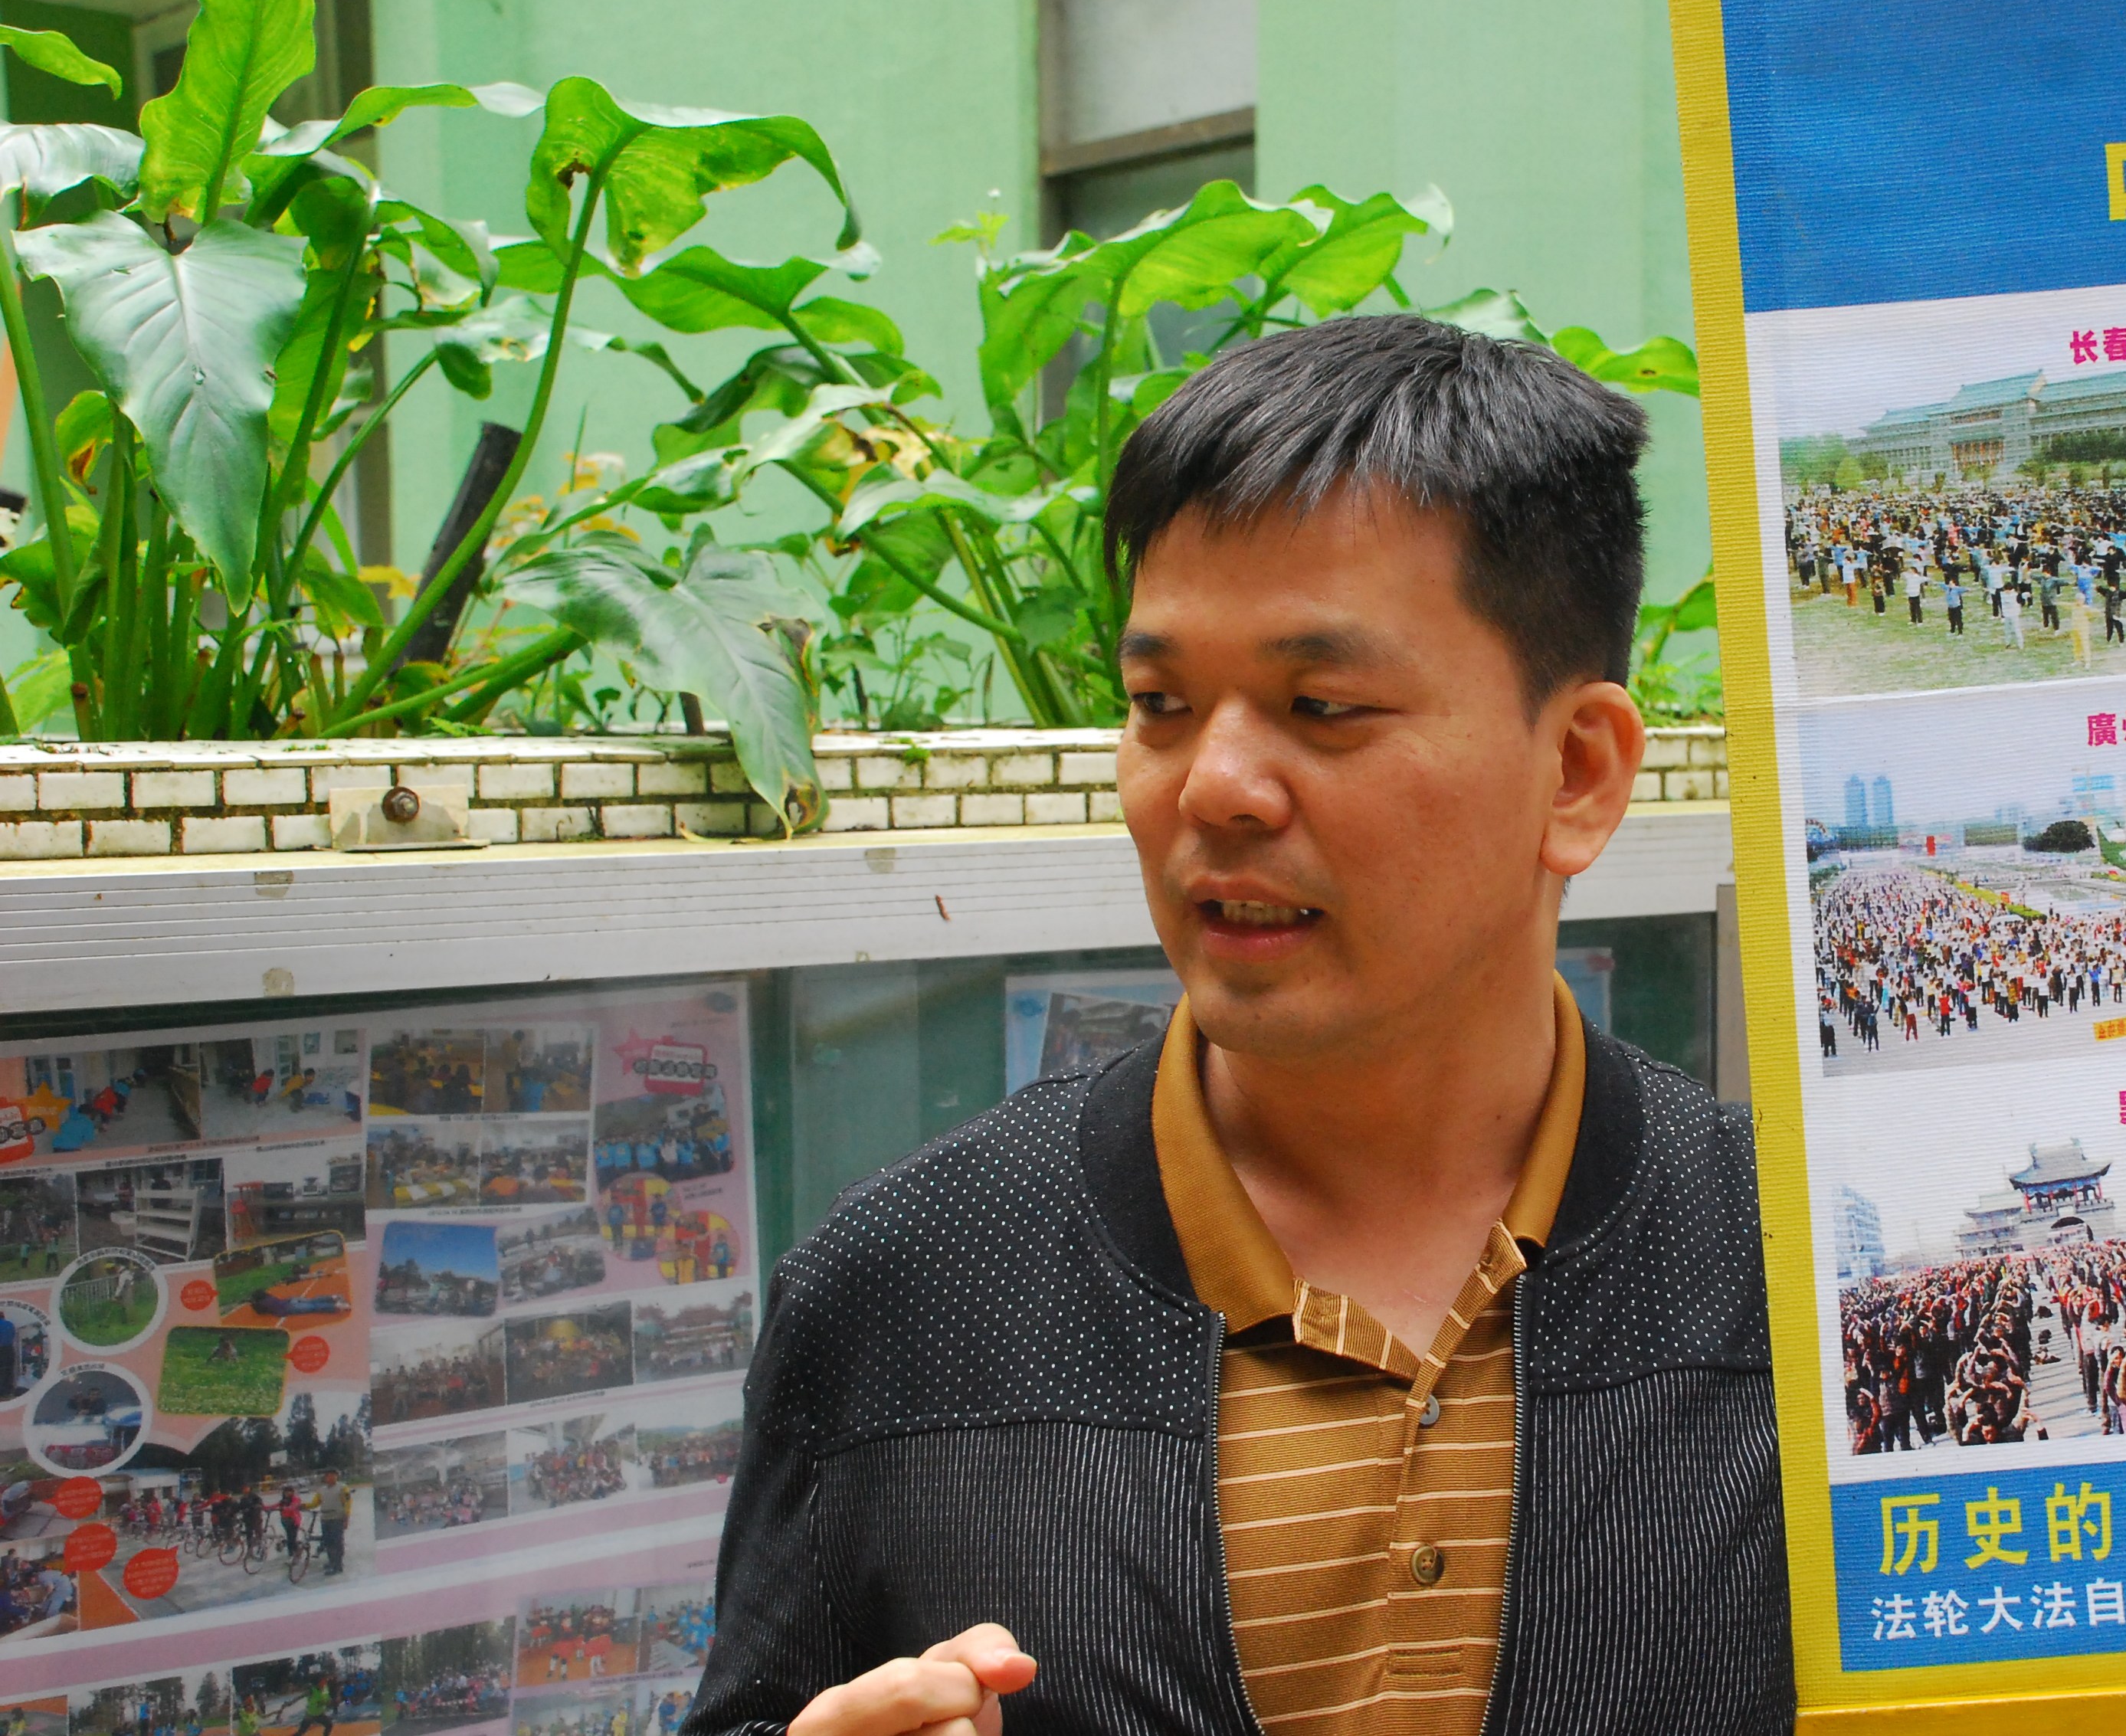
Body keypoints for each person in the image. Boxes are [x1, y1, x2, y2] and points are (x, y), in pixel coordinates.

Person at [686, 315, 1786, 1736]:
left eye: (1320, 706)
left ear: (1577, 772)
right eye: (1160, 704)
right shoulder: (902, 1300)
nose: (1211, 788)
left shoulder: (1794, 1285)